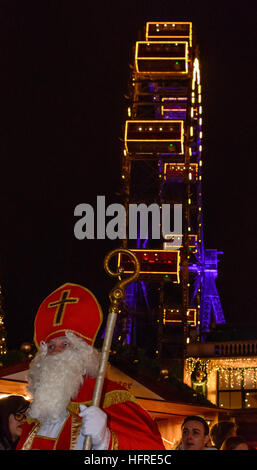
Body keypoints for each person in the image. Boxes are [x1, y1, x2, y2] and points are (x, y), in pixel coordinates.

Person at [17, 282, 165, 450]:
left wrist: (105, 440)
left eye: (65, 344)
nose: (56, 351)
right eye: (50, 347)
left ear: (83, 354)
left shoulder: (106, 397)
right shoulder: (39, 412)